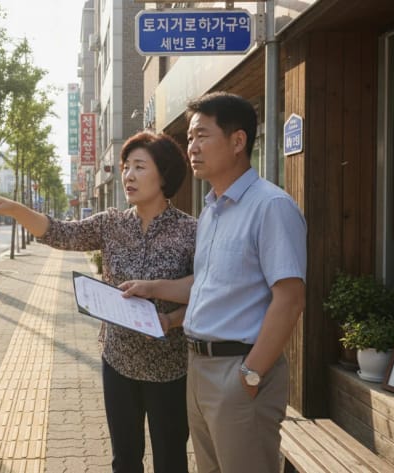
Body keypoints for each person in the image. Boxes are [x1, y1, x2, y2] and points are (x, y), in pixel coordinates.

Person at [0, 131, 197, 473]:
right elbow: (60, 233)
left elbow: (204, 291)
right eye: (126, 167)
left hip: (170, 367)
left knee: (170, 461)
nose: (128, 175)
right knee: (125, 460)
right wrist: (16, 210)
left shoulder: (190, 230)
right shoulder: (111, 224)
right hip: (118, 361)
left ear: (164, 174)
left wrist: (170, 320)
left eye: (140, 166)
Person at [119, 92, 307, 473]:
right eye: (189, 138)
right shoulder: (212, 210)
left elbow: (289, 300)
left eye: (202, 136)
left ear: (238, 141)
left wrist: (250, 375)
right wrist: (152, 288)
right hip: (199, 369)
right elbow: (206, 283)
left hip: (239, 370)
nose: (192, 147)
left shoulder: (271, 206)